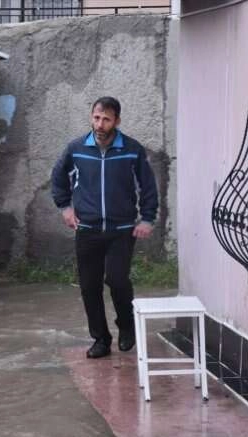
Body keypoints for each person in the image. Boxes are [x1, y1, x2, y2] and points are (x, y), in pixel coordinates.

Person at [51, 97, 159, 359]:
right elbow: (58, 177)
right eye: (96, 117)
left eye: (106, 119)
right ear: (91, 117)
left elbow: (148, 186)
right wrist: (65, 208)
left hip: (121, 229)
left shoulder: (132, 150)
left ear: (117, 121)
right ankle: (100, 338)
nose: (100, 124)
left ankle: (127, 326)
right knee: (89, 286)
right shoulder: (76, 148)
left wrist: (147, 219)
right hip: (87, 229)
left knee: (117, 279)